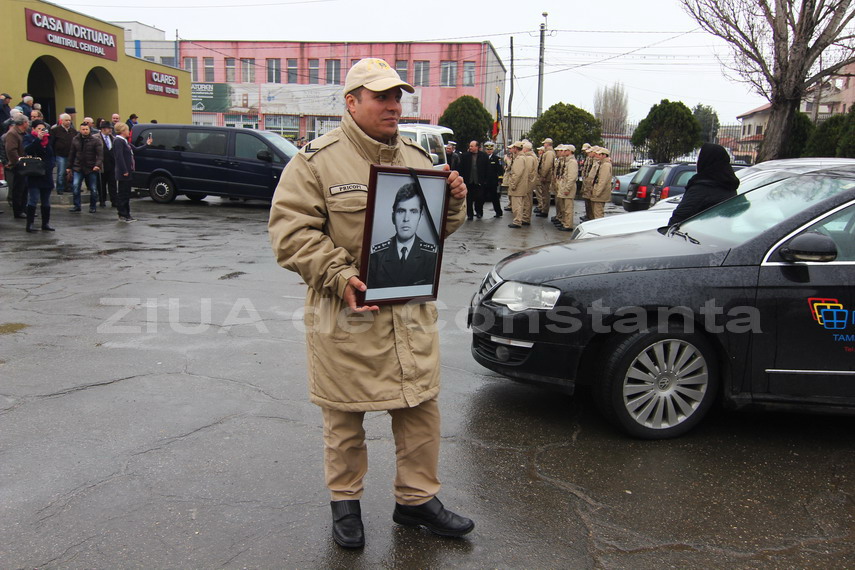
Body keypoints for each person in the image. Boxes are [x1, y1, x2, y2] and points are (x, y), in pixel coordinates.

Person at [268, 57, 472, 550]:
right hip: (349, 314)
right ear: (352, 101)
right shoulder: (316, 161)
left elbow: (435, 235)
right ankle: (346, 504)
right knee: (344, 416)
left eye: (397, 96)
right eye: (381, 96)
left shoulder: (419, 160)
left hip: (410, 316)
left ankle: (416, 500)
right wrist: (339, 277)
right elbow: (290, 234)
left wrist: (456, 202)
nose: (393, 105)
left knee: (420, 410)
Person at [366, 183, 438, 288]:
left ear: (420, 217)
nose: (406, 219)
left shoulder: (431, 257)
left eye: (413, 212)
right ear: (393, 217)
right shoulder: (376, 256)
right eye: (401, 211)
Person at [668, 142, 740, 226]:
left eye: (699, 159)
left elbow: (678, 218)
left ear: (705, 161)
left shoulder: (701, 188)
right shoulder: (729, 185)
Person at [22, 119, 56, 232]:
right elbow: (28, 150)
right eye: (39, 129)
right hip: (34, 173)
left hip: (46, 174)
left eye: (43, 129)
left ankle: (45, 223)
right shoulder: (29, 138)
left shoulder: (48, 140)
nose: (41, 131)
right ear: (33, 129)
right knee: (33, 199)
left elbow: (51, 154)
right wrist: (38, 139)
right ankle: (30, 224)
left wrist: (51, 164)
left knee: (46, 200)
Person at [113, 122, 150, 222]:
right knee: (123, 194)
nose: (129, 132)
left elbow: (136, 150)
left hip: (129, 171)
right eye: (127, 130)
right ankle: (123, 214)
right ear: (122, 131)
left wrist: (147, 145)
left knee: (127, 193)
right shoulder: (118, 141)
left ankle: (127, 213)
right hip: (124, 172)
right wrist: (124, 170)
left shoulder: (125, 141)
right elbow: (119, 157)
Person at [66, 122, 103, 213]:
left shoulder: (95, 140)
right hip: (78, 167)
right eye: (83, 129)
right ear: (80, 130)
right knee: (75, 187)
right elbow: (72, 153)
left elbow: (100, 155)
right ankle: (77, 205)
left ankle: (93, 206)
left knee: (93, 188)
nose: (85, 131)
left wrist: (97, 165)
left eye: (86, 129)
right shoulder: (76, 139)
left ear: (89, 129)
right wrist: (69, 166)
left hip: (91, 167)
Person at [4, 115, 30, 219]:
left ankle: (24, 209)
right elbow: (11, 150)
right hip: (18, 165)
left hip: (25, 163)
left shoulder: (23, 133)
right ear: (23, 123)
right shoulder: (12, 133)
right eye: (27, 122)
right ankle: (18, 211)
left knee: (24, 188)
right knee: (18, 189)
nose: (28, 124)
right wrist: (19, 162)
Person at [506, 140, 535, 228]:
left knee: (517, 204)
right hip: (521, 184)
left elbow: (517, 173)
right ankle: (519, 220)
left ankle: (517, 221)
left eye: (513, 148)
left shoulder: (519, 158)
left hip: (518, 185)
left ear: (516, 148)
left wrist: (513, 184)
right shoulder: (522, 157)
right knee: (520, 204)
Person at [458, 140, 489, 220]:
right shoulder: (465, 156)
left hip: (479, 181)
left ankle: (479, 212)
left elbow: (487, 169)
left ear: (477, 147)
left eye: (472, 146)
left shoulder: (484, 156)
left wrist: (485, 180)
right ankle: (470, 214)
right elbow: (461, 168)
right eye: (470, 146)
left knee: (479, 198)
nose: (470, 147)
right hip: (468, 181)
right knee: (469, 199)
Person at [50, 113, 77, 195]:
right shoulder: (55, 130)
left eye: (69, 120)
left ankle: (71, 187)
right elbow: (52, 143)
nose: (68, 122)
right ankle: (60, 188)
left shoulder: (73, 131)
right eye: (66, 120)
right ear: (61, 121)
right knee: (61, 172)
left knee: (72, 172)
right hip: (60, 154)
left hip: (71, 155)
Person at [554, 144, 578, 231]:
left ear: (570, 151)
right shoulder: (568, 161)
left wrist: (567, 189)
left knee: (568, 208)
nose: (562, 152)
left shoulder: (572, 162)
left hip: (568, 188)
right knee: (564, 208)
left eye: (565, 150)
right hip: (563, 186)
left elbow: (572, 178)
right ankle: (565, 223)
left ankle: (568, 225)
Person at [589, 147, 612, 220]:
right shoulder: (601, 164)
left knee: (598, 212)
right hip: (596, 190)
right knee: (595, 211)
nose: (597, 156)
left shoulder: (606, 165)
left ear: (604, 155)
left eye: (599, 155)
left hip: (600, 192)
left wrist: (597, 193)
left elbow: (603, 181)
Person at [97, 120, 117, 207]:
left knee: (112, 184)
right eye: (109, 128)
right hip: (101, 164)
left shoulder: (112, 138)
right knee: (101, 184)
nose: (110, 130)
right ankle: (102, 200)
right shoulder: (96, 137)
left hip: (112, 165)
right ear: (103, 129)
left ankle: (114, 200)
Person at [536, 138, 556, 218]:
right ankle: (543, 209)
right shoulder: (548, 153)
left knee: (545, 194)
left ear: (547, 144)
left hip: (547, 177)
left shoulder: (549, 153)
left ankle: (545, 210)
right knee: (544, 194)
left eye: (544, 144)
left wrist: (543, 175)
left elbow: (547, 165)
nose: (544, 145)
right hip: (546, 176)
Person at [483, 141, 503, 217]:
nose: (489, 151)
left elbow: (500, 170)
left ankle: (498, 212)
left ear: (493, 150)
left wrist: (500, 179)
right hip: (484, 181)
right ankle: (479, 212)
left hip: (493, 182)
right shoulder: (483, 157)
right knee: (481, 197)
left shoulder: (497, 159)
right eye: (487, 149)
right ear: (485, 150)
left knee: (494, 198)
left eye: (490, 149)